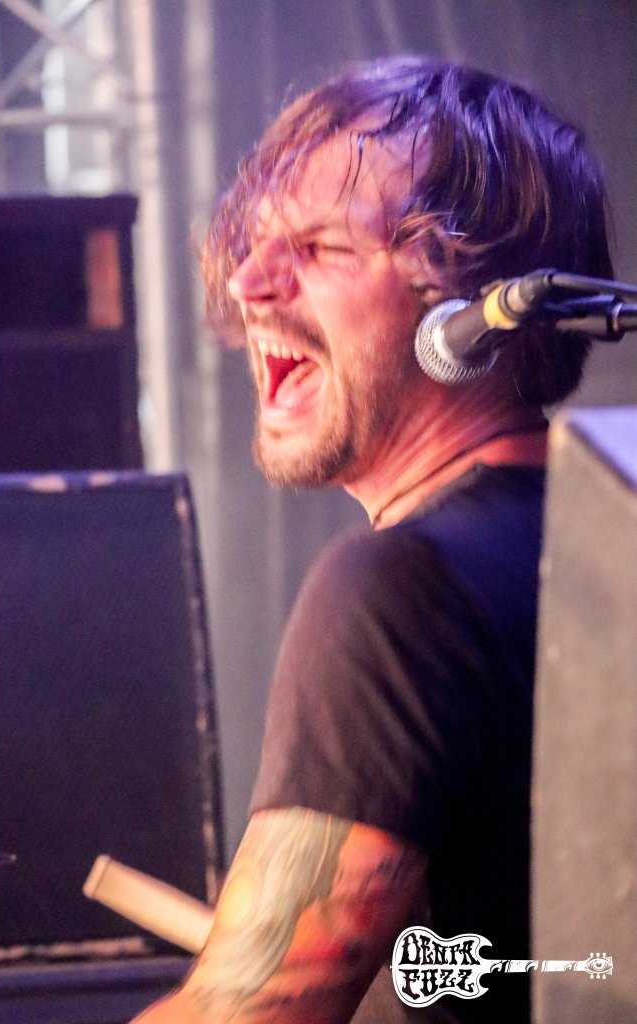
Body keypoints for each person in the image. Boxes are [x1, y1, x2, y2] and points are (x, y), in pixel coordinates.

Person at [133, 57, 612, 1023]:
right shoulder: (599, 543)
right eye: (255, 243)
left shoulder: (400, 591)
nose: (249, 284)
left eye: (318, 247)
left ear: (472, 313)